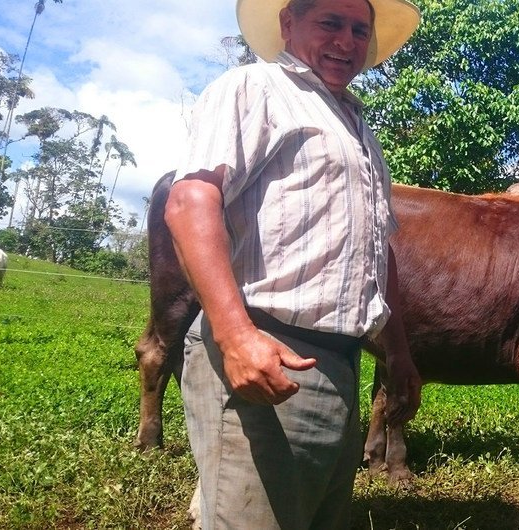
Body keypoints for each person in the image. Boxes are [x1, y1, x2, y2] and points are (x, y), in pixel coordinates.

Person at [165, 0, 420, 528]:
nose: (346, 41)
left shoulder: (358, 130)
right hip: (267, 349)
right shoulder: (254, 89)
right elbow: (189, 202)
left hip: (341, 365)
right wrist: (235, 335)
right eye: (329, 23)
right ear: (287, 23)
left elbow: (377, 250)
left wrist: (397, 354)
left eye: (359, 29)